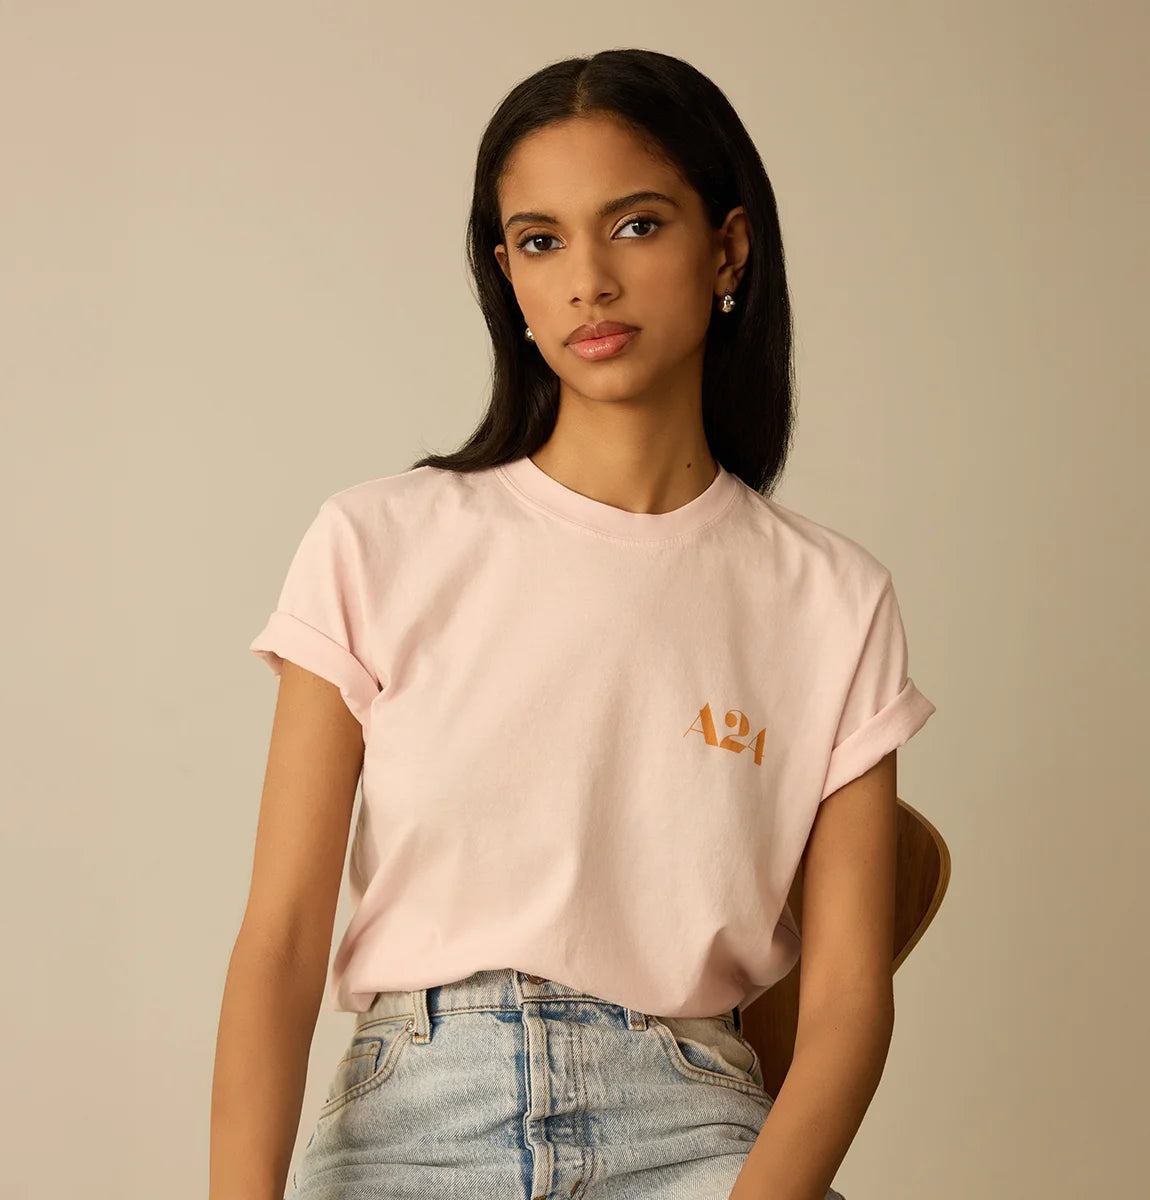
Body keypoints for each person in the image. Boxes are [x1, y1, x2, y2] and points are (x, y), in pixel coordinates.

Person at [210, 47, 936, 1200]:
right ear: (506, 275)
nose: (587, 280)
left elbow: (849, 995)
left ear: (727, 250)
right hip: (413, 1119)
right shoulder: (377, 541)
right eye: (541, 241)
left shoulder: (831, 598)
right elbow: (282, 941)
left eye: (636, 226)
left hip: (694, 1126)